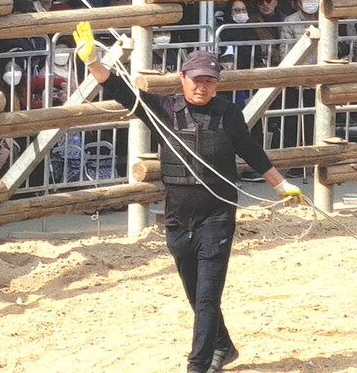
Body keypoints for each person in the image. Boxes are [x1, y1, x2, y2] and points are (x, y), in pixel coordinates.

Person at [73, 28, 301, 373]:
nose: (202, 87)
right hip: (177, 217)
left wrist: (281, 184)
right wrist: (92, 59)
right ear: (182, 79)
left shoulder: (229, 114)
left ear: (217, 83)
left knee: (209, 295)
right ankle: (224, 346)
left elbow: (251, 151)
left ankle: (198, 365)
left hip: (217, 215)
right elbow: (119, 89)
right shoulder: (162, 109)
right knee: (195, 292)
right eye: (196, 80)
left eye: (209, 81)